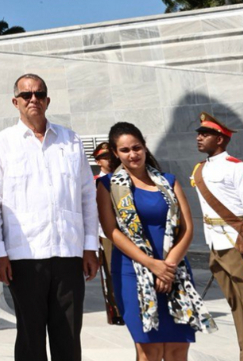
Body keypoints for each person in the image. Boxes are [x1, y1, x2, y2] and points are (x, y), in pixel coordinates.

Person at [0, 73, 100, 361]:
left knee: (69, 337)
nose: (33, 99)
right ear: (15, 102)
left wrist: (90, 246)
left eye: (39, 93)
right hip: (24, 257)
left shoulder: (70, 140)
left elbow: (87, 195)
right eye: (26, 95)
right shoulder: (1, 144)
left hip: (68, 254)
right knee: (30, 339)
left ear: (47, 99)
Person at [97, 121, 215, 360]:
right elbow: (112, 232)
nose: (133, 154)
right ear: (115, 152)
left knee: (177, 348)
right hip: (133, 272)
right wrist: (152, 265)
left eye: (137, 147)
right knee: (148, 349)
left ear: (144, 146)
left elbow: (187, 228)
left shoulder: (168, 181)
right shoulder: (107, 186)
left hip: (175, 270)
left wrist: (167, 266)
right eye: (125, 150)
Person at [192, 112, 243, 359]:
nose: (199, 138)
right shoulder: (200, 169)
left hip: (236, 244)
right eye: (199, 134)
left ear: (220, 139)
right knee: (236, 306)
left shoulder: (237, 167)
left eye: (205, 134)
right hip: (215, 244)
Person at [92, 141, 124, 326]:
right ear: (98, 161)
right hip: (107, 233)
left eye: (110, 157)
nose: (108, 161)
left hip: (127, 232)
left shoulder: (125, 178)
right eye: (104, 158)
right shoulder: (95, 183)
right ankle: (116, 311)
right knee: (111, 273)